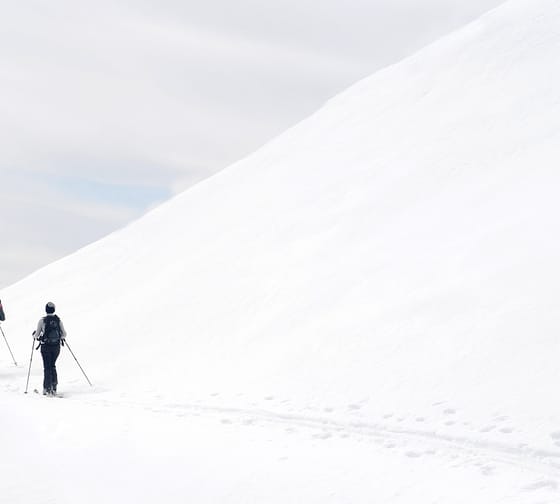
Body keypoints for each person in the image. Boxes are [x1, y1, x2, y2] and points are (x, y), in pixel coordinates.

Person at [34, 302, 66, 396]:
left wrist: (34, 335)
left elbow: (36, 335)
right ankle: (54, 387)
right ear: (54, 310)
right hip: (56, 347)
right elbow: (64, 334)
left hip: (46, 347)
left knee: (47, 367)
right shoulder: (58, 320)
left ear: (46, 309)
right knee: (52, 365)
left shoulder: (42, 321)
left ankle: (47, 389)